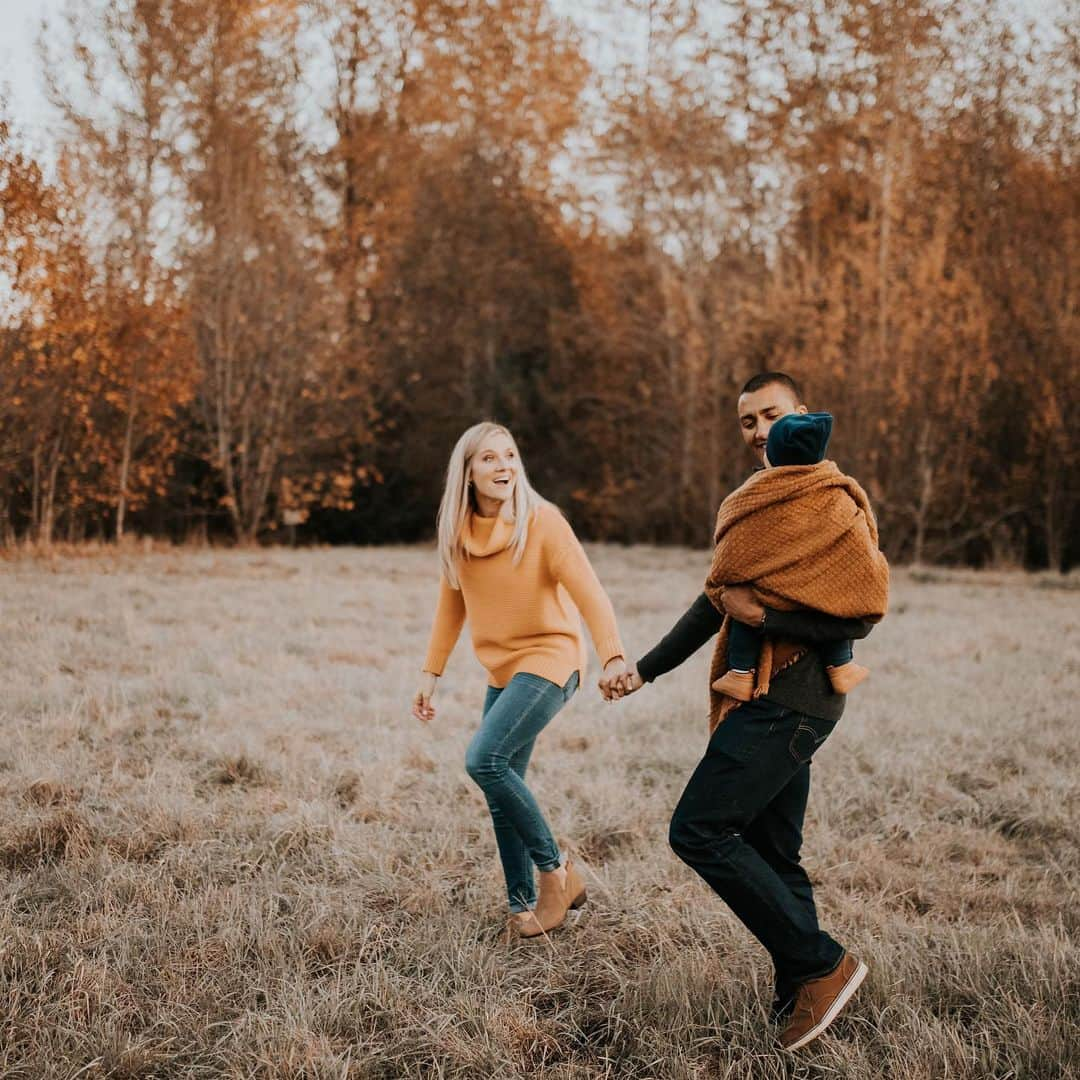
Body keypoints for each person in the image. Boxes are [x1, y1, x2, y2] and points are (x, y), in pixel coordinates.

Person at [601, 372, 885, 1051]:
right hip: (771, 696)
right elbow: (715, 599)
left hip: (795, 699)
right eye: (747, 421)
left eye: (771, 415)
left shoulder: (831, 500)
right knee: (773, 849)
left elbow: (860, 609)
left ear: (802, 417)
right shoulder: (755, 504)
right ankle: (804, 995)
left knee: (698, 831)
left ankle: (822, 963)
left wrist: (768, 615)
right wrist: (644, 669)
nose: (759, 430)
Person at [414, 421, 628, 940]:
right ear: (467, 472)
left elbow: (590, 594)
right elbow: (451, 607)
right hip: (504, 669)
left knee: (483, 760)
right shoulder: (458, 534)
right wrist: (430, 673)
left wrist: (614, 656)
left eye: (509, 455)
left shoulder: (543, 522)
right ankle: (521, 909)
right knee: (501, 786)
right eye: (489, 458)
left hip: (552, 659)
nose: (504, 465)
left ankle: (557, 872)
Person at [713, 410, 875, 702]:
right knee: (835, 595)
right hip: (816, 598)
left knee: (742, 595)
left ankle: (740, 672)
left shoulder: (759, 494)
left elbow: (733, 556)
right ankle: (841, 664)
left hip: (771, 598)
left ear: (773, 457)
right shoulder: (835, 496)